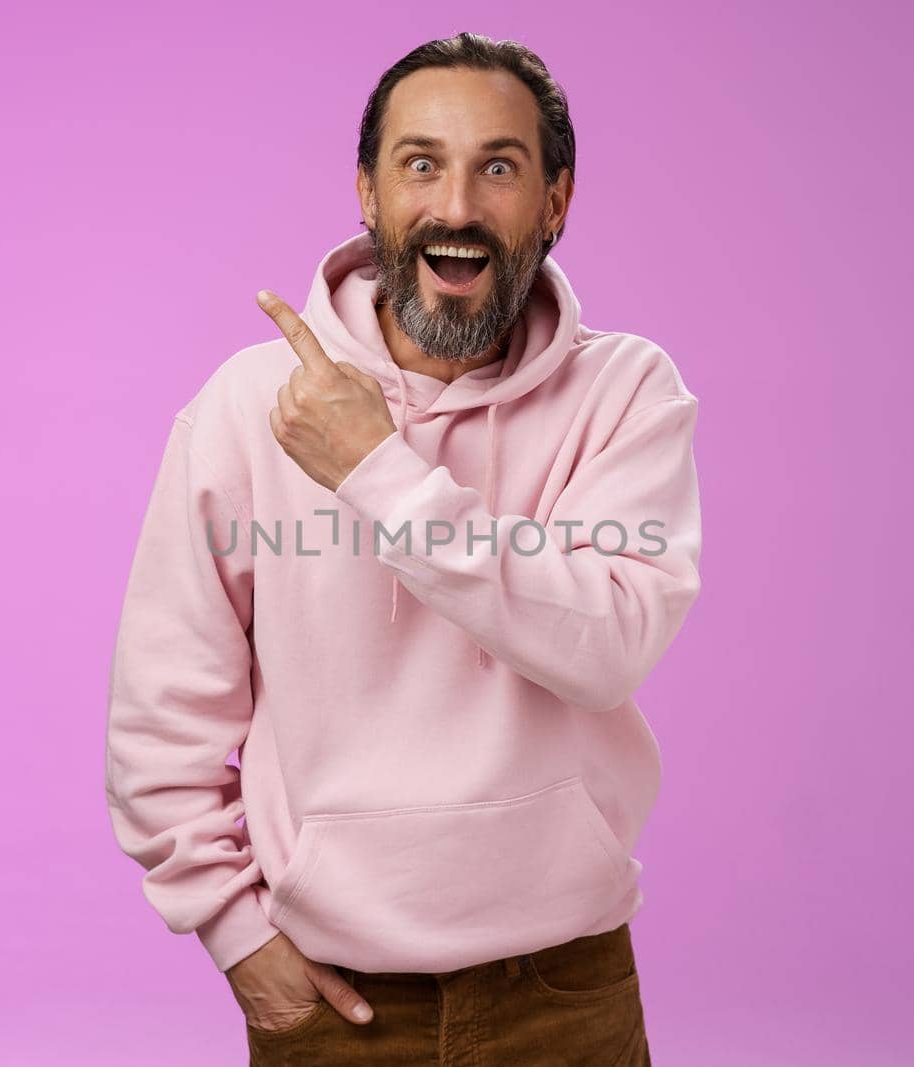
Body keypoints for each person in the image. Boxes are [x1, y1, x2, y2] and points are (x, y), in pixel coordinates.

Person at [104, 31, 701, 1065]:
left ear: (555, 202)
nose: (457, 206)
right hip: (337, 1004)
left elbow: (608, 644)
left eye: (498, 167)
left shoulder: (627, 395)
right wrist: (236, 933)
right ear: (369, 195)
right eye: (420, 163)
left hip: (566, 984)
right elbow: (163, 710)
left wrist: (378, 473)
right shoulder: (250, 408)